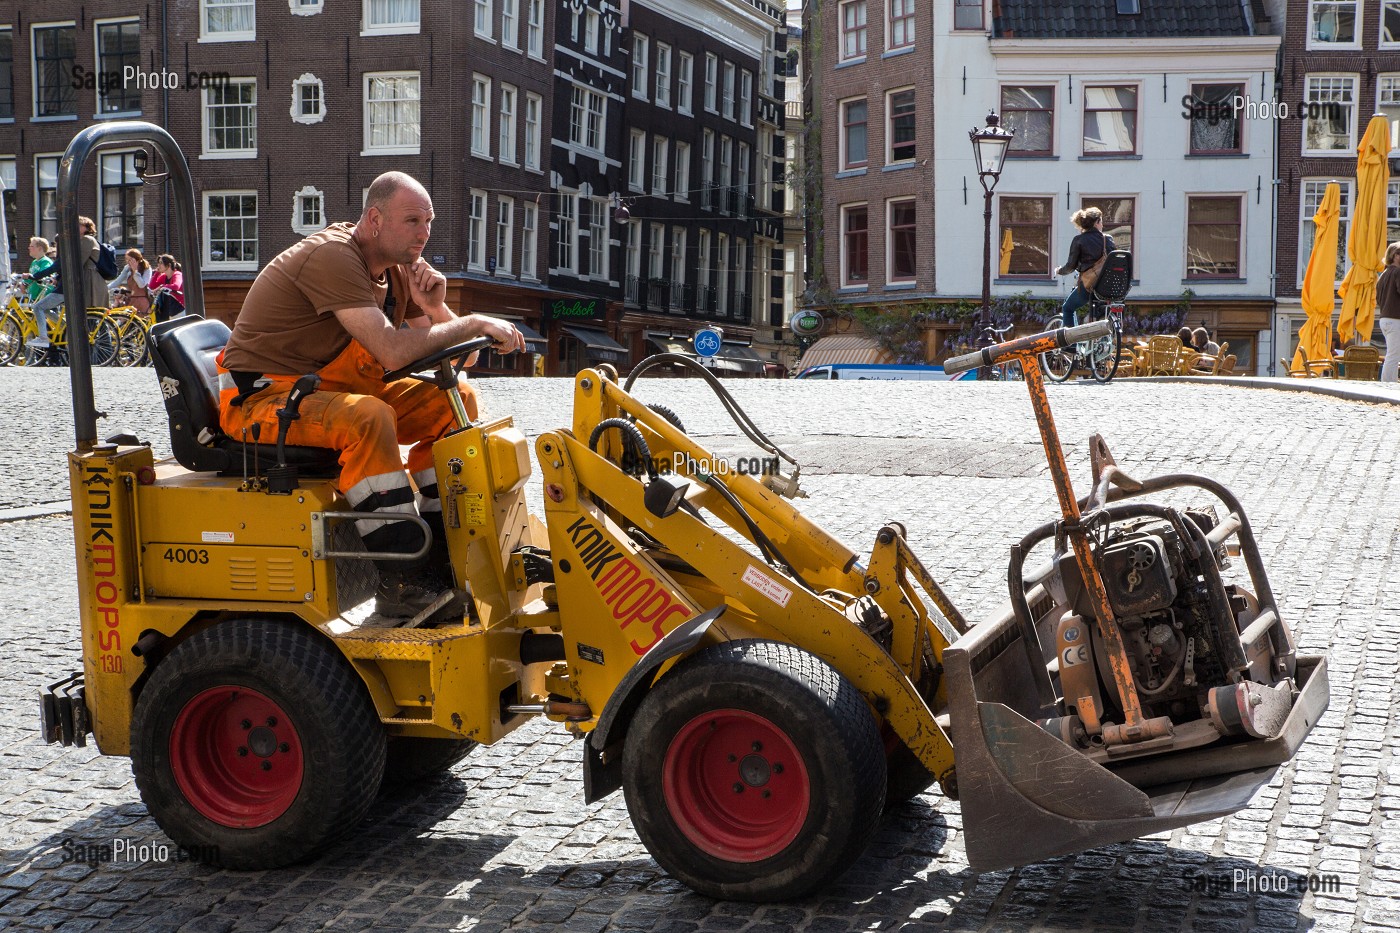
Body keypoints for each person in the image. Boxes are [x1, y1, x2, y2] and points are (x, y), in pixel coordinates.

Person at [217, 171, 525, 623]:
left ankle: (443, 554)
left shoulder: (397, 271)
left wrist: (436, 306)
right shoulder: (333, 258)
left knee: (453, 399)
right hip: (264, 400)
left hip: (328, 389)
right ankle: (402, 582)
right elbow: (392, 349)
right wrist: (475, 319)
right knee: (370, 418)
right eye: (413, 220)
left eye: (430, 221)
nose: (424, 233)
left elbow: (458, 359)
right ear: (375, 219)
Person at [1055, 207, 1114, 328]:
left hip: (1090, 286)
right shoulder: (1107, 239)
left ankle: (1072, 345)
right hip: (1109, 286)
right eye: (1101, 221)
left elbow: (1071, 266)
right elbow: (1114, 261)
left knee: (1068, 308)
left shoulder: (1079, 240)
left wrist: (1059, 271)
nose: (1102, 225)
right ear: (1097, 222)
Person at [20, 237, 56, 349]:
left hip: (44, 296)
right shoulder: (34, 262)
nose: (29, 248)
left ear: (40, 248)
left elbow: (43, 274)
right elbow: (32, 276)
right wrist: (24, 283)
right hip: (35, 296)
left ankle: (48, 342)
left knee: (47, 322)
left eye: (32, 246)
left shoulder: (46, 261)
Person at [1378, 242, 1400, 382]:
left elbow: (1378, 298)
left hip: (1384, 319)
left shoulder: (1384, 274)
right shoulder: (1397, 272)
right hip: (1395, 318)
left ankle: (1391, 384)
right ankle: (1387, 385)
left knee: (1393, 353)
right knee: (1393, 355)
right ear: (1395, 256)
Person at [111, 249, 153, 316]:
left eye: (130, 259)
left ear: (137, 259)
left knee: (139, 322)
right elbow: (118, 280)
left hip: (142, 301)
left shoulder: (146, 268)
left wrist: (135, 271)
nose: (128, 262)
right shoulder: (127, 268)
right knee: (123, 320)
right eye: (127, 259)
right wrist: (106, 287)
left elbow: (141, 285)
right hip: (131, 300)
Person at [148, 254, 186, 322]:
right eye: (158, 263)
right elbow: (152, 286)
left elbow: (176, 286)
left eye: (161, 263)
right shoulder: (164, 276)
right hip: (173, 311)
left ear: (168, 265)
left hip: (182, 309)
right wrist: (157, 272)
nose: (158, 265)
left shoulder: (177, 274)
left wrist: (162, 287)